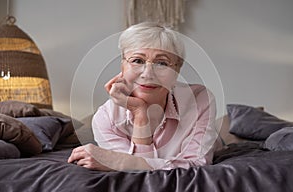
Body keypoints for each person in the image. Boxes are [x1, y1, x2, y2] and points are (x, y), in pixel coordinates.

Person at [68, 22, 218, 171]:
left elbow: (197, 166)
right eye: (137, 61)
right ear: (122, 67)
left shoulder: (200, 99)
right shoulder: (105, 119)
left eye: (162, 63)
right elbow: (142, 177)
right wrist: (140, 112)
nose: (148, 74)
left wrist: (121, 162)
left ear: (177, 70)